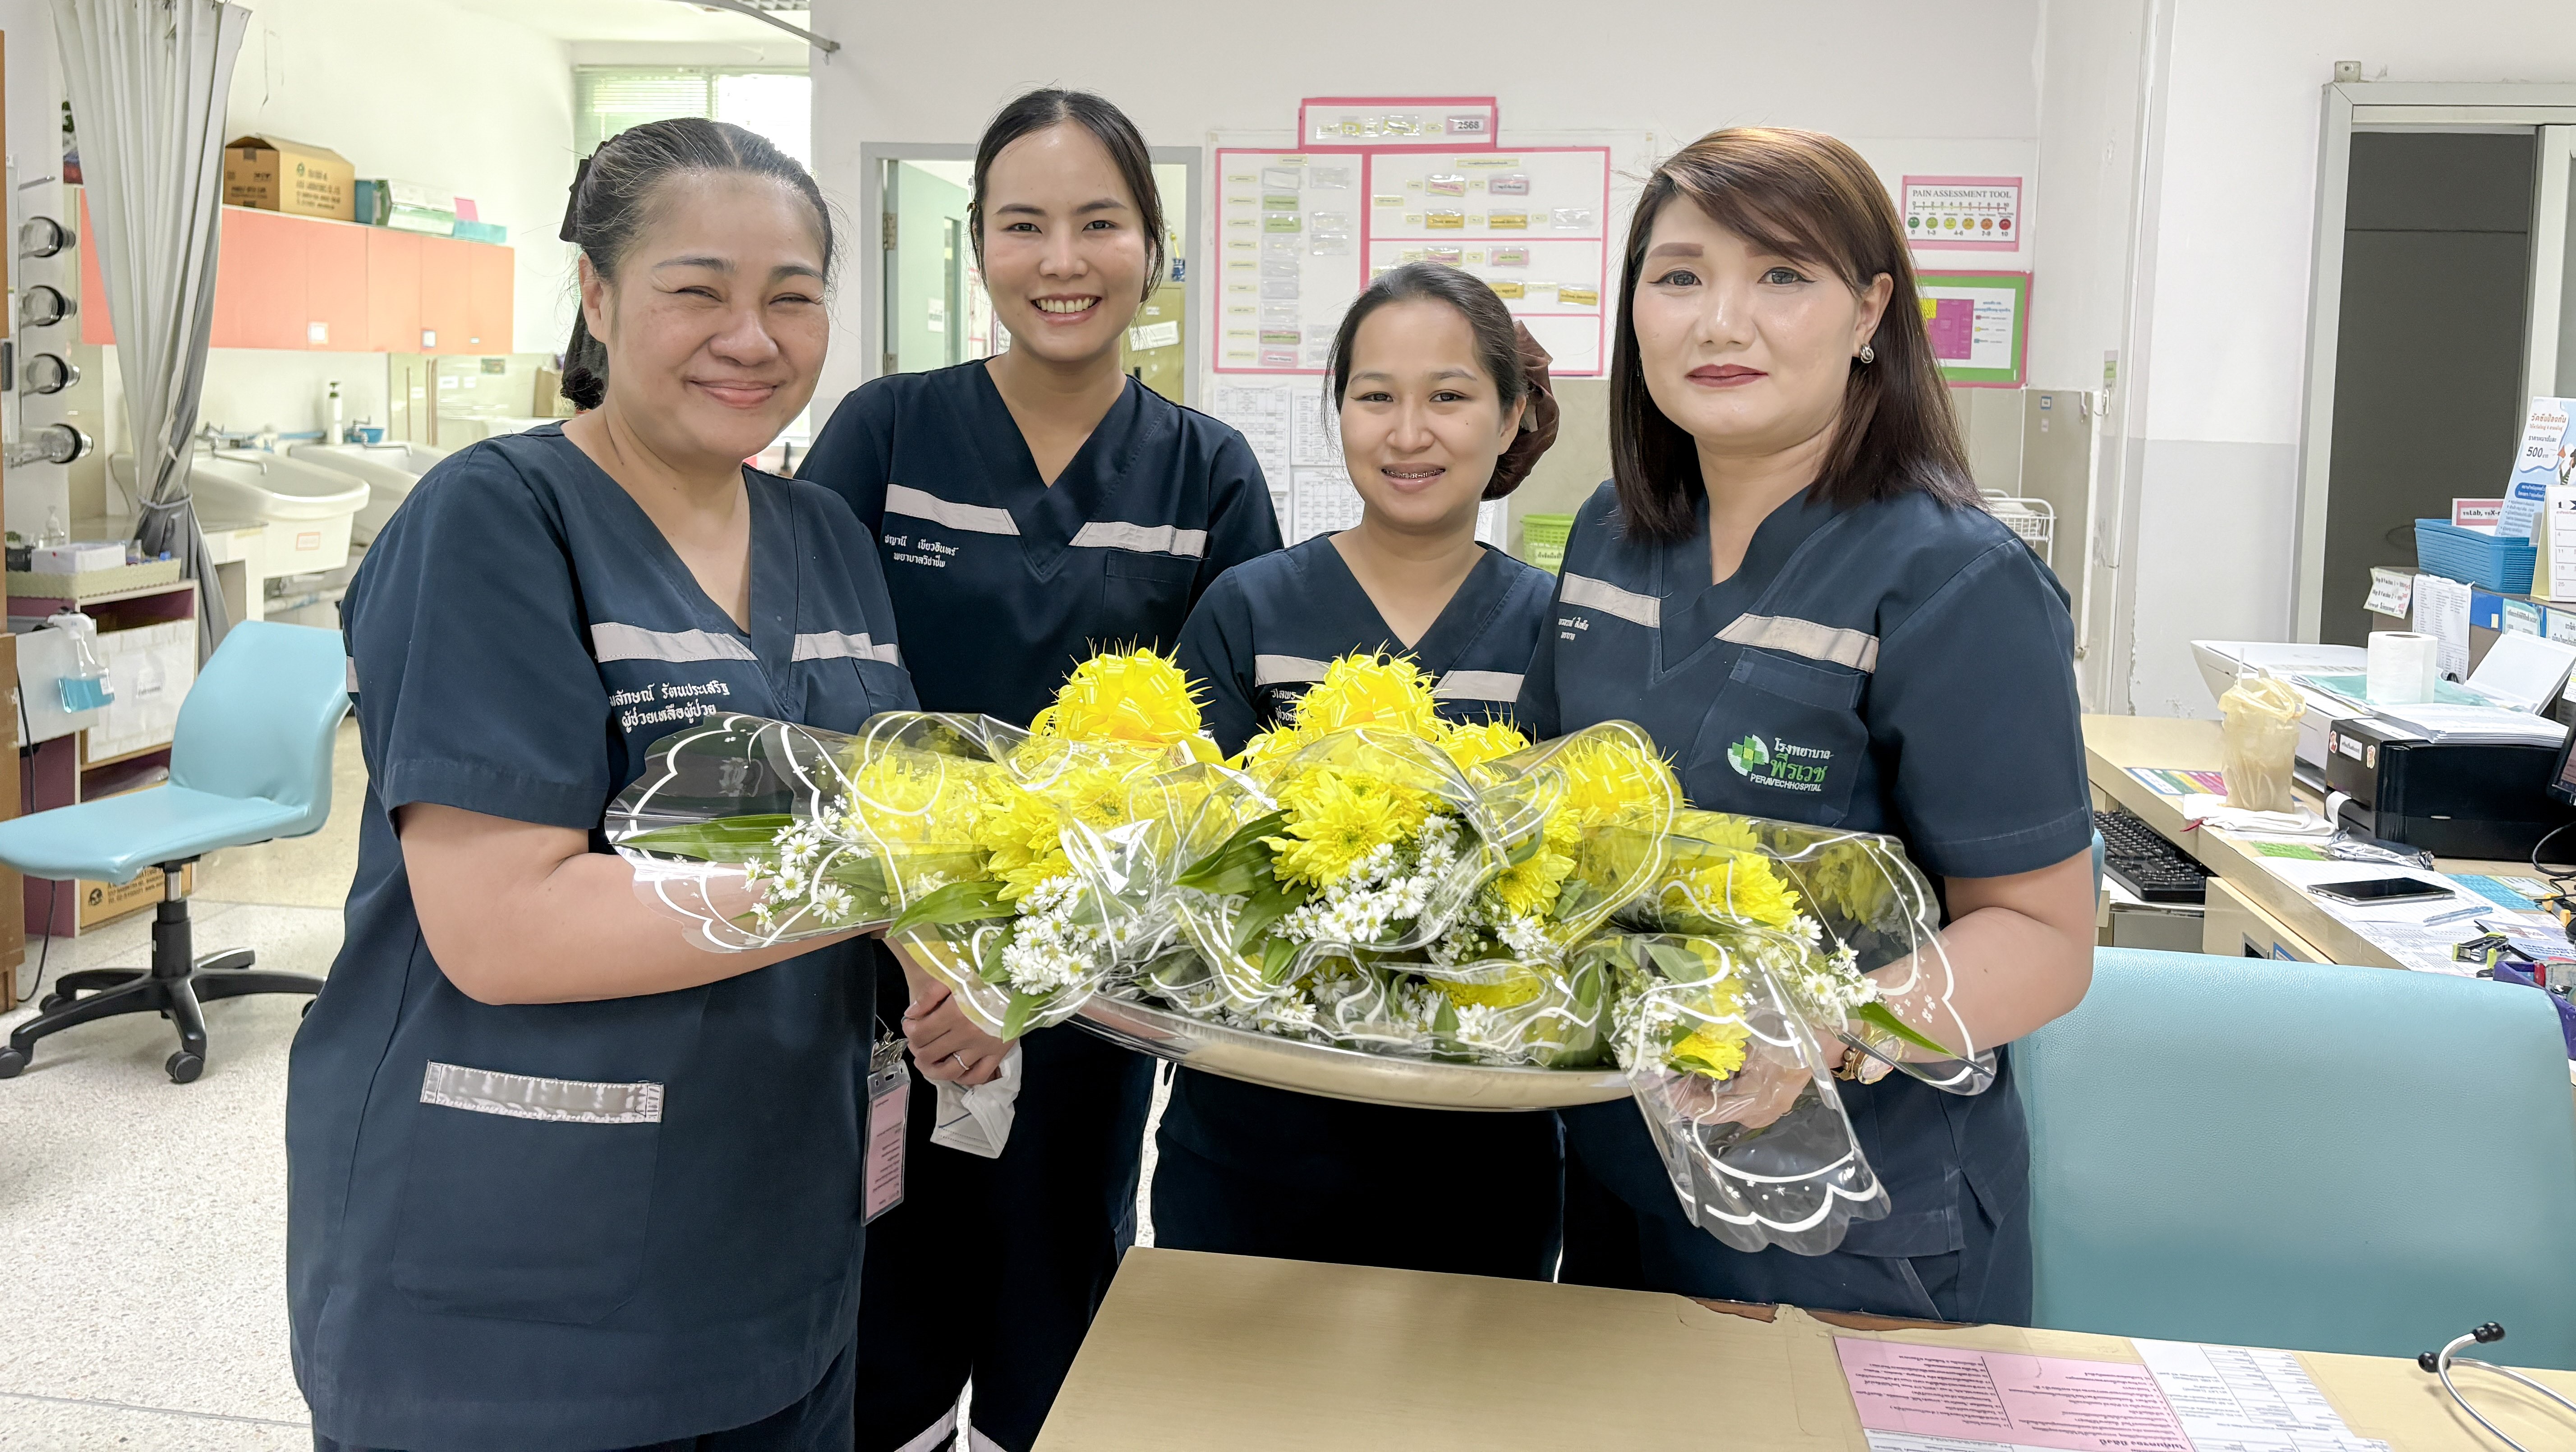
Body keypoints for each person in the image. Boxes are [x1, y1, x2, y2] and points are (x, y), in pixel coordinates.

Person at [286, 119, 908, 1452]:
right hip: (520, 1282)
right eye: (699, 290)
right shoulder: (495, 518)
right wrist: (885, 885)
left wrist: (949, 949)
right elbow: (506, 927)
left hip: (775, 1237)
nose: (751, 338)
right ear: (599, 295)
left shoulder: (827, 537)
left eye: (793, 297)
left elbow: (877, 808)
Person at [1517, 128, 2096, 1324]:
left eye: (1783, 273)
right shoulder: (1611, 539)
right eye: (1680, 276)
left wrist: (1824, 1023)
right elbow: (1546, 817)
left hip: (1860, 1227)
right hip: (1623, 1182)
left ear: (1871, 311)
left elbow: (2045, 938)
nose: (1722, 320)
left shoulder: (1955, 580)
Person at [792, 89, 1282, 1452]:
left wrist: (1052, 960)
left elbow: (1224, 767)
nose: (1061, 261)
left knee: (1054, 1302)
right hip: (891, 969)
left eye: (1099, 223)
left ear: (1153, 246)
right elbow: (813, 690)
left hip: (1091, 986)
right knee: (880, 1298)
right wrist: (930, 948)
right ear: (977, 246)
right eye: (1023, 225)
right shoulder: (886, 435)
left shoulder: (1206, 472)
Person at [1154, 262, 1566, 1278]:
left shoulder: (1559, 627)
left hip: (1485, 1148)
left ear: (1512, 414)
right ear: (1338, 408)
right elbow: (1172, 852)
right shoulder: (1250, 609)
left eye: (1450, 396)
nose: (1408, 433)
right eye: (1375, 395)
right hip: (1256, 1136)